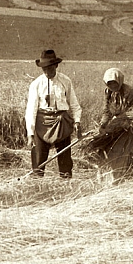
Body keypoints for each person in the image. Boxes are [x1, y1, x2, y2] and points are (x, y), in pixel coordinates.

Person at [25, 49, 82, 178]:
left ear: (56, 66)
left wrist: (77, 121)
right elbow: (31, 109)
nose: (47, 72)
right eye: (44, 69)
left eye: (49, 68)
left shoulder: (65, 81)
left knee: (65, 157)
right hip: (42, 123)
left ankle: (66, 181)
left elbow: (74, 103)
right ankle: (37, 182)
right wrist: (30, 133)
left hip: (62, 122)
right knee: (39, 157)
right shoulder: (36, 84)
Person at [91, 67, 133, 179]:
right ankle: (114, 174)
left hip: (132, 125)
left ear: (120, 80)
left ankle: (130, 175)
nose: (113, 86)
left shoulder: (131, 93)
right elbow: (107, 111)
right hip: (118, 124)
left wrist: (119, 123)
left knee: (129, 152)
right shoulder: (108, 92)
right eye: (110, 84)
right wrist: (103, 124)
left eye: (115, 83)